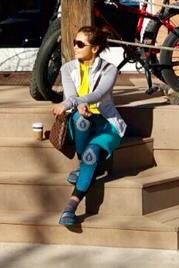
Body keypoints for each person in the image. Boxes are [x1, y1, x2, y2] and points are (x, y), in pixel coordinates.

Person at [51, 26, 127, 226]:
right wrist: (76, 104)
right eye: (74, 42)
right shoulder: (67, 68)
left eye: (80, 44)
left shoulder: (109, 70)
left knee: (91, 154)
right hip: (82, 121)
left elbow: (98, 94)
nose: (74, 47)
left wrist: (70, 104)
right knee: (80, 120)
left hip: (106, 125)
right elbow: (71, 94)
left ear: (94, 48)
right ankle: (84, 164)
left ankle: (71, 207)